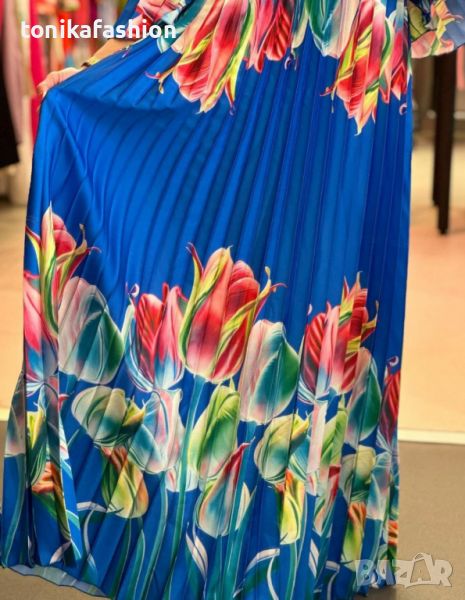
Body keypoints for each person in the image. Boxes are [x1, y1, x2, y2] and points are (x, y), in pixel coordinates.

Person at [1, 1, 464, 598]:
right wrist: (110, 58)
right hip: (353, 38)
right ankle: (304, 547)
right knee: (317, 269)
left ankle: (243, 537)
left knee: (312, 266)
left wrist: (117, 51)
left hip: (324, 39)